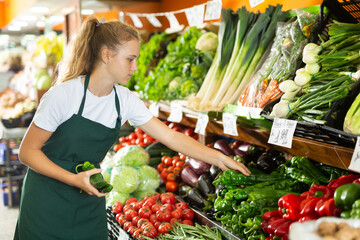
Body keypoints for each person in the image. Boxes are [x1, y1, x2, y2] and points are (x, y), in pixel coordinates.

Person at [14, 16, 251, 240]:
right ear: (106, 55)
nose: (135, 67)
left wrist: (220, 158)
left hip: (88, 199)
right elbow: (27, 152)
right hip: (46, 200)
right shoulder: (64, 95)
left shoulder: (124, 100)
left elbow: (170, 137)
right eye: (130, 59)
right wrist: (74, 180)